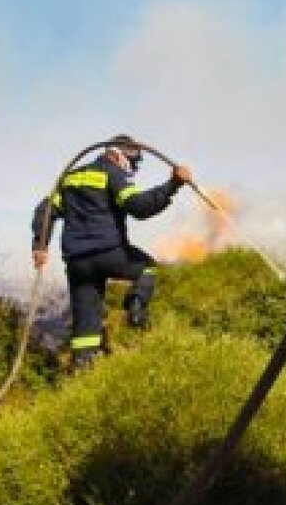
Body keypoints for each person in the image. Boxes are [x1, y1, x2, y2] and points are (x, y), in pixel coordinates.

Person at [32, 135, 192, 368]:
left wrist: (40, 245)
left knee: (86, 324)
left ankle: (82, 372)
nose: (132, 166)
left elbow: (45, 211)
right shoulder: (112, 172)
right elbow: (139, 206)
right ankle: (136, 310)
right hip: (110, 254)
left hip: (77, 262)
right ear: (117, 154)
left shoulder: (70, 177)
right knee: (147, 267)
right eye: (132, 159)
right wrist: (173, 185)